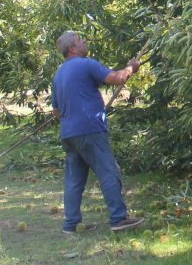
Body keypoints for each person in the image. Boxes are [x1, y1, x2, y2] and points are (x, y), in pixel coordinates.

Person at [51, 31, 144, 233]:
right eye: (80, 40)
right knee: (108, 172)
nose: (84, 42)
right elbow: (116, 78)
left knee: (74, 180)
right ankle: (118, 218)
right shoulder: (86, 64)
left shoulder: (58, 75)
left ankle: (71, 224)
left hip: (68, 134)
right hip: (89, 129)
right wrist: (131, 68)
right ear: (72, 48)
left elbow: (56, 112)